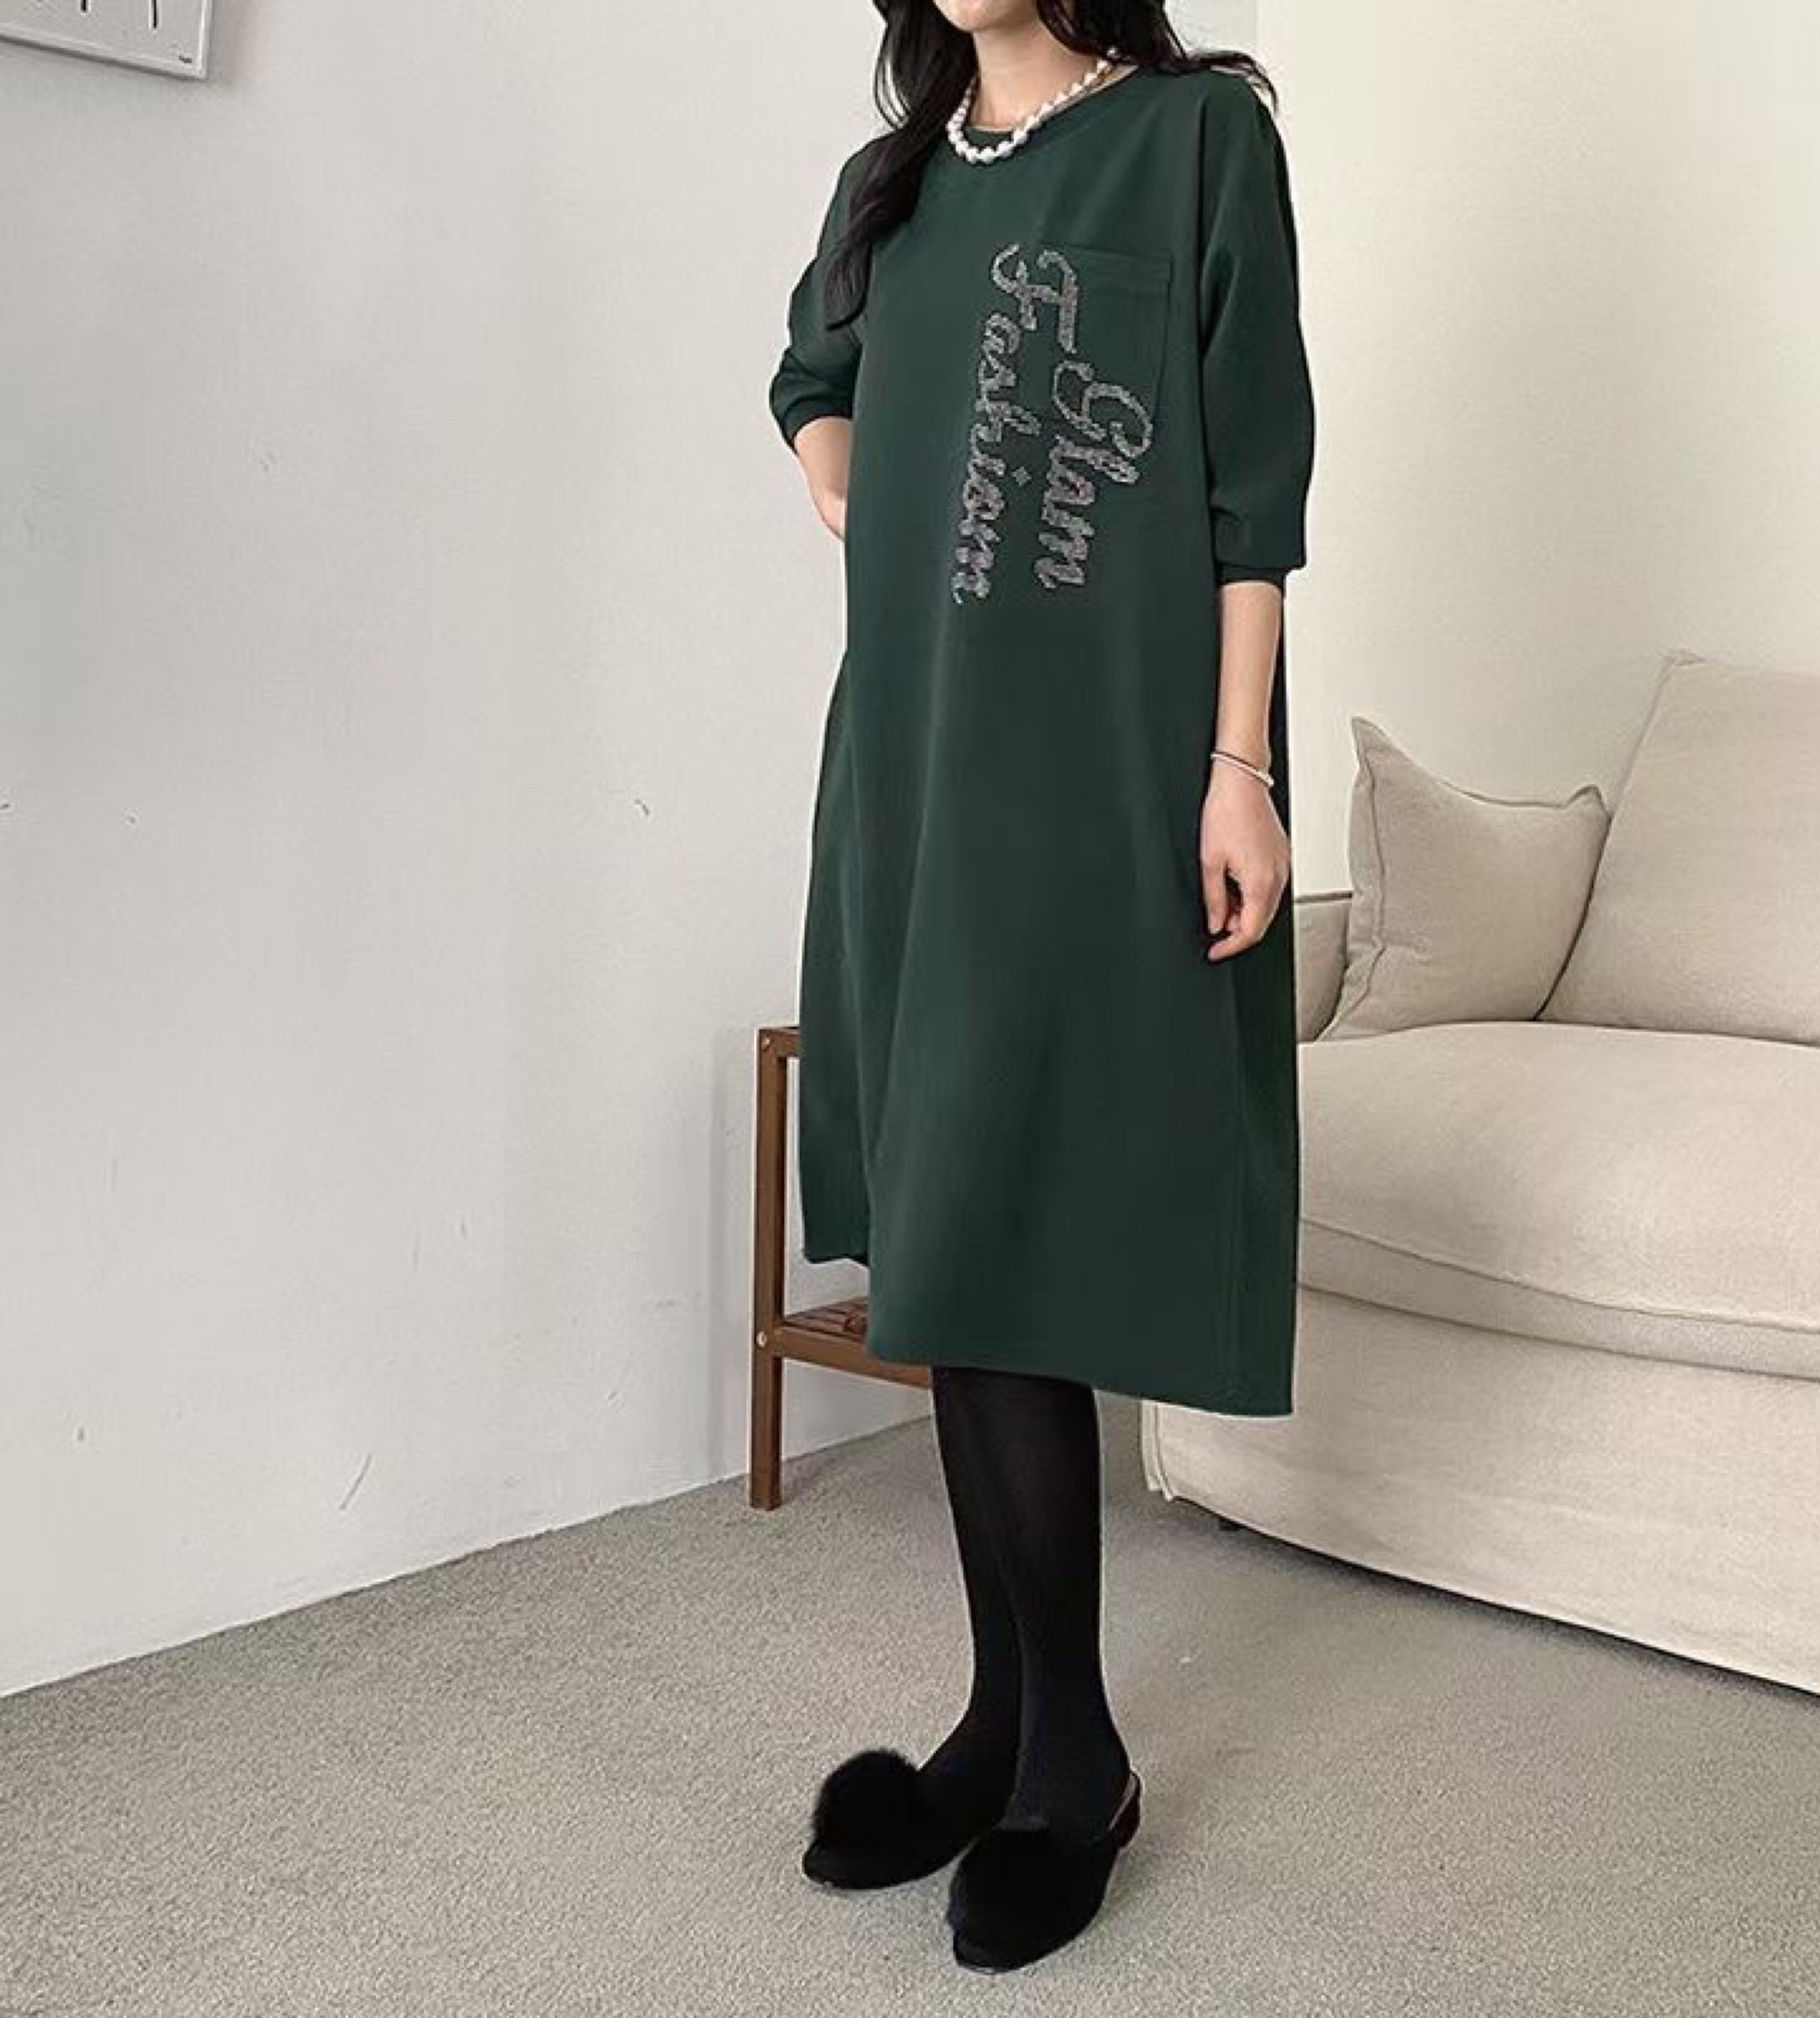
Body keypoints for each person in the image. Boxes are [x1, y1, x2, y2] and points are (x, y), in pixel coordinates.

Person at [766, 0, 1316, 1973]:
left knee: (1018, 1216)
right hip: (917, 772)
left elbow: (1254, 491)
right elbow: (808, 376)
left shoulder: (1195, 140)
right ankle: (1007, 1726)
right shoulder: (891, 184)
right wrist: (856, 480)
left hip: (1104, 775)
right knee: (952, 1239)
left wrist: (1238, 770)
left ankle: (1069, 1757)